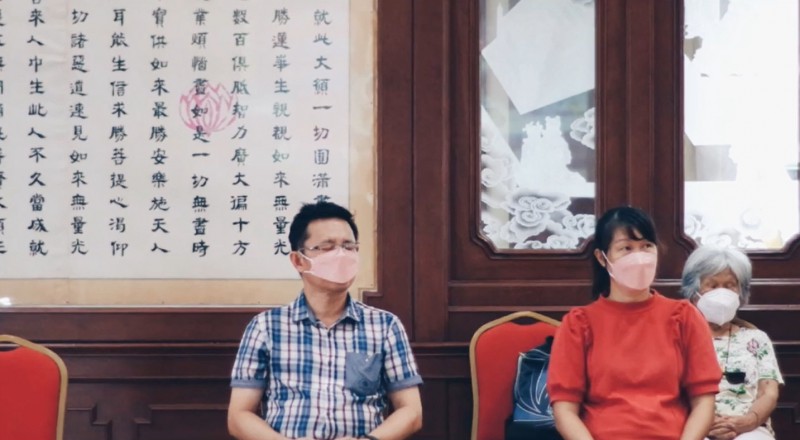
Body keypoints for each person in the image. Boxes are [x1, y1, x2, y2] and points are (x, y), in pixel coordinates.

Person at [228, 201, 423, 440]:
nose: (341, 255)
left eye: (349, 247)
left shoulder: (385, 326)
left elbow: (411, 411)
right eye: (327, 247)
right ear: (298, 260)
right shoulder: (266, 327)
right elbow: (239, 415)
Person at [547, 206, 721, 440]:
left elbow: (704, 401)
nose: (639, 258)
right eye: (626, 248)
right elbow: (565, 410)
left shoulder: (684, 316)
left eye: (646, 246)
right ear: (602, 257)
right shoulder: (579, 323)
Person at [681, 246, 783, 440]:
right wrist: (703, 422)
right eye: (712, 285)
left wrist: (748, 421)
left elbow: (768, 392)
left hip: (748, 428)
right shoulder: (679, 337)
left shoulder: (756, 339)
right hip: (693, 424)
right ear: (694, 292)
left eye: (730, 286)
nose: (722, 293)